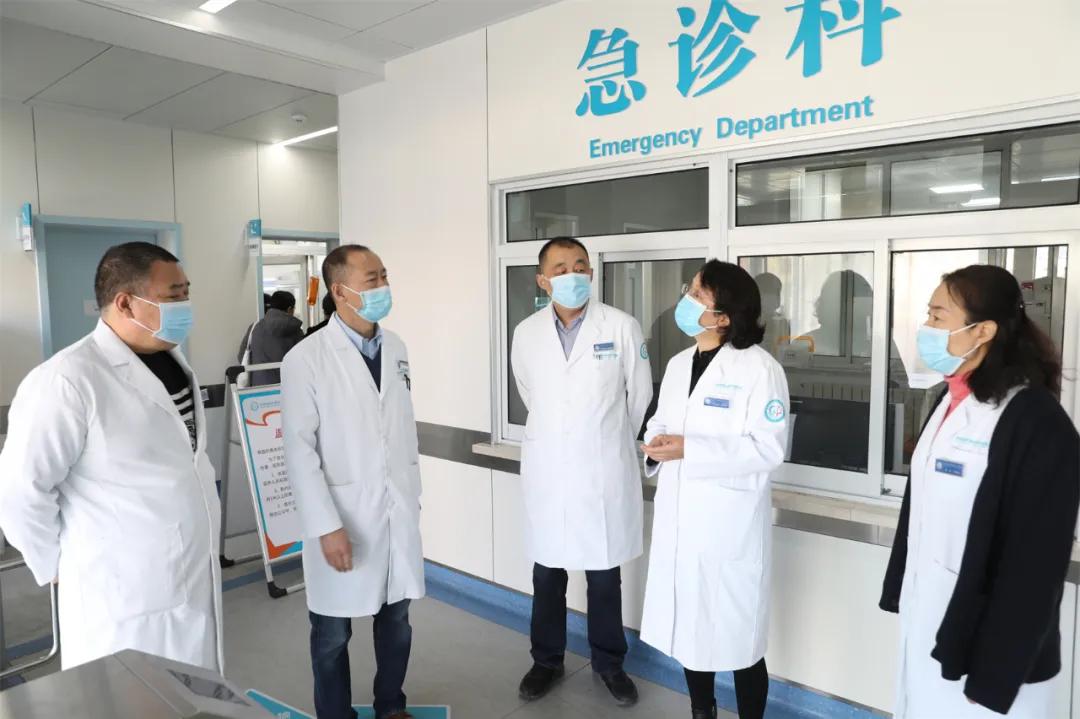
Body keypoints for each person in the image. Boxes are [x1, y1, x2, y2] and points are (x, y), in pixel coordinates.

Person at [0, 242, 223, 672]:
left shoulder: (172, 364)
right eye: (173, 295)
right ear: (125, 303)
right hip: (120, 596)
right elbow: (19, 492)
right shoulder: (67, 379)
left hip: (191, 574)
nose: (185, 305)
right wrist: (57, 566)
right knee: (133, 694)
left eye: (186, 292)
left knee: (195, 691)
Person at [880, 265, 1080, 718]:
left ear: (983, 330)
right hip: (932, 618)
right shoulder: (951, 401)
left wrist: (996, 671)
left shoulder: (1035, 421)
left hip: (989, 658)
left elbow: (1036, 563)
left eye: (938, 316)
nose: (926, 327)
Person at [640, 260, 790, 719]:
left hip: (729, 527)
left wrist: (691, 448)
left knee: (740, 637)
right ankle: (701, 711)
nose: (685, 300)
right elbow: (661, 421)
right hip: (681, 520)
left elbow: (768, 448)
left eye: (696, 295)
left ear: (723, 316)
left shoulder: (760, 370)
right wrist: (657, 444)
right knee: (692, 630)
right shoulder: (678, 363)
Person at [510, 236, 652, 706]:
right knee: (547, 575)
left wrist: (605, 439)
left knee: (604, 576)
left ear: (591, 273)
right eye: (561, 268)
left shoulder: (622, 326)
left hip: (602, 470)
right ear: (542, 280)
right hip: (549, 471)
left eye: (580, 266)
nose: (572, 275)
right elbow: (531, 393)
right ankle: (546, 660)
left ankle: (610, 663)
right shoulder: (526, 333)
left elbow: (639, 397)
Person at [281, 244, 422, 719]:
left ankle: (391, 706)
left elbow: (400, 428)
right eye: (372, 280)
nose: (384, 287)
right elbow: (299, 450)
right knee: (332, 634)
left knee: (397, 620)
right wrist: (326, 526)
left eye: (385, 276)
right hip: (342, 515)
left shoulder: (396, 347)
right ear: (340, 292)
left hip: (394, 508)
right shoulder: (305, 358)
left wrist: (412, 495)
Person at [238, 290, 305, 385]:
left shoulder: (255, 328)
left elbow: (241, 356)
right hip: (288, 386)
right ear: (290, 309)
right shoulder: (296, 332)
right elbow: (302, 362)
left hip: (258, 388)